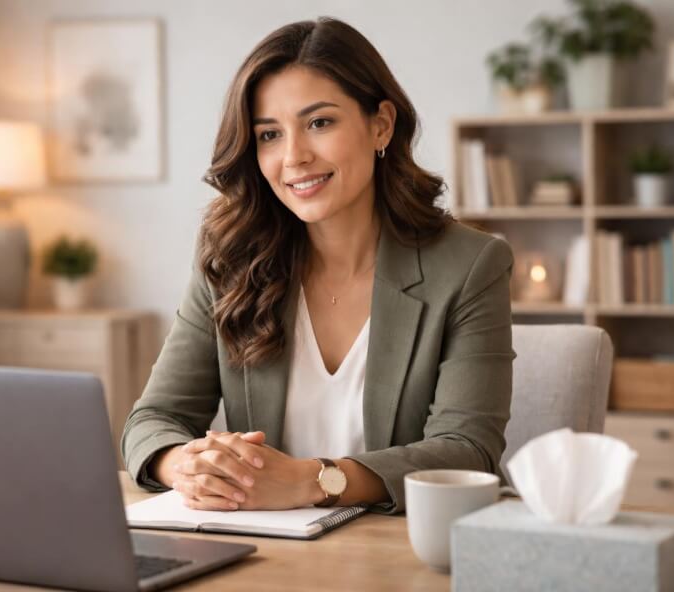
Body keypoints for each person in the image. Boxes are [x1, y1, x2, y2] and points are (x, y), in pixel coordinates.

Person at [121, 17, 514, 514]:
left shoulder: (469, 265)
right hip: (262, 553)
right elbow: (152, 419)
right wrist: (188, 465)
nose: (294, 156)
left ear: (381, 125)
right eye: (269, 134)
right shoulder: (229, 260)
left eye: (319, 123)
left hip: (393, 557)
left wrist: (315, 481)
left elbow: (469, 451)